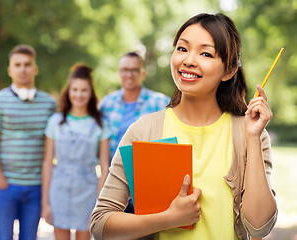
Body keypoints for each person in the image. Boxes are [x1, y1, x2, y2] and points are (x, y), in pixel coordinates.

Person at [90, 13, 277, 240]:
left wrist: (253, 137)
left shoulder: (249, 133)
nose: (188, 60)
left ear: (228, 71)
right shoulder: (143, 131)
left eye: (206, 53)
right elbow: (100, 225)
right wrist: (168, 218)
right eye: (182, 48)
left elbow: (259, 226)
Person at [0, 44, 56, 240]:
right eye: (18, 64)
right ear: (10, 70)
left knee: (29, 237)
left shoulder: (49, 104)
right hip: (6, 187)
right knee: (4, 237)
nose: (23, 69)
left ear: (35, 69)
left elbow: (52, 148)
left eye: (27, 64)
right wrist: (2, 182)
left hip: (36, 188)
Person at [42, 64, 110, 240]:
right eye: (75, 90)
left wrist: (99, 205)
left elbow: (105, 167)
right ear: (68, 91)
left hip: (87, 192)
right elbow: (48, 163)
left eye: (84, 90)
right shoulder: (55, 122)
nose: (79, 95)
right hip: (59, 190)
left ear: (91, 93)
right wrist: (45, 203)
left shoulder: (100, 125)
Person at [99, 51, 170, 213]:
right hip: (116, 182)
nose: (129, 74)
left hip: (148, 184)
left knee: (146, 235)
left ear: (143, 73)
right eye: (125, 70)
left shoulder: (161, 102)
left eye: (134, 70)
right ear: (119, 73)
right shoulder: (106, 104)